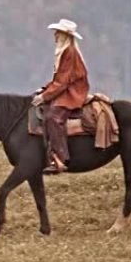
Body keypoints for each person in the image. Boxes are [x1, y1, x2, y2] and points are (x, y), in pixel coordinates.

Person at [32, 19, 89, 174]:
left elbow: (63, 82)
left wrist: (44, 96)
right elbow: (58, 79)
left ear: (64, 35)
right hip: (66, 88)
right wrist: (45, 89)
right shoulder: (64, 52)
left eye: (58, 33)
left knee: (53, 117)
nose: (55, 35)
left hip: (73, 91)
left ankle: (60, 158)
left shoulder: (69, 52)